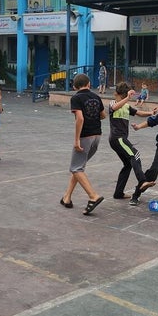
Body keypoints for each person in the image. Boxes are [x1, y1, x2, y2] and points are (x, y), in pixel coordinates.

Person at [60, 73, 107, 216]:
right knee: (79, 167)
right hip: (97, 136)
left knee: (76, 168)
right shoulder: (96, 97)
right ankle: (66, 197)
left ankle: (93, 196)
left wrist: (76, 139)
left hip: (85, 136)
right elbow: (103, 115)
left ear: (74, 86)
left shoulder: (76, 98)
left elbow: (79, 118)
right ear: (89, 84)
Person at [107, 82, 157, 199]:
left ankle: (118, 193)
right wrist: (128, 98)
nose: (125, 98)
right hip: (117, 138)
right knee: (135, 155)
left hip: (121, 139)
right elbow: (114, 108)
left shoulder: (126, 106)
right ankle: (142, 181)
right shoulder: (113, 103)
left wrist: (151, 113)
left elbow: (138, 113)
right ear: (116, 94)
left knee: (128, 164)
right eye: (123, 96)